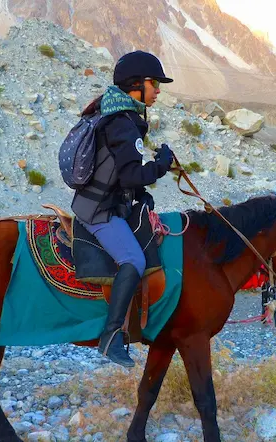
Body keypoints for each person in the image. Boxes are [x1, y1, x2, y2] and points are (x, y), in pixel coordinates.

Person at [70, 50, 174, 368]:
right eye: (154, 83)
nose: (158, 90)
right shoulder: (122, 124)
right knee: (133, 259)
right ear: (135, 85)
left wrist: (142, 196)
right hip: (98, 211)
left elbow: (123, 176)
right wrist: (161, 165)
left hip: (110, 202)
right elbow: (130, 173)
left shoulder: (121, 117)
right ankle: (111, 337)